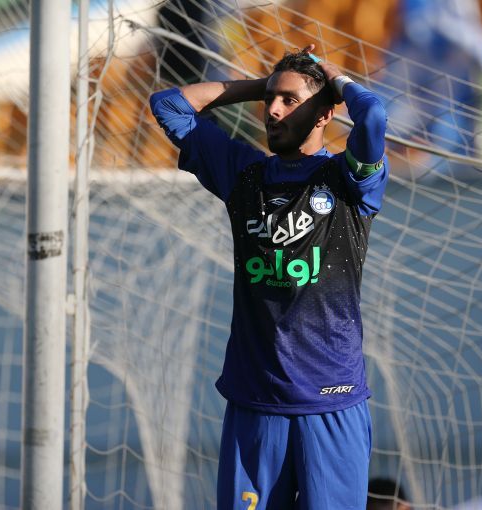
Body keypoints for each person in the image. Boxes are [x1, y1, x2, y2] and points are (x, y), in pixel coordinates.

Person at [150, 43, 388, 509]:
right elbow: (169, 105)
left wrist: (333, 80)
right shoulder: (243, 173)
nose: (273, 111)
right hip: (257, 401)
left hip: (331, 402)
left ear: (324, 114)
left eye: (289, 101)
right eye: (270, 101)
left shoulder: (349, 180)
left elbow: (374, 115)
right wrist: (265, 84)